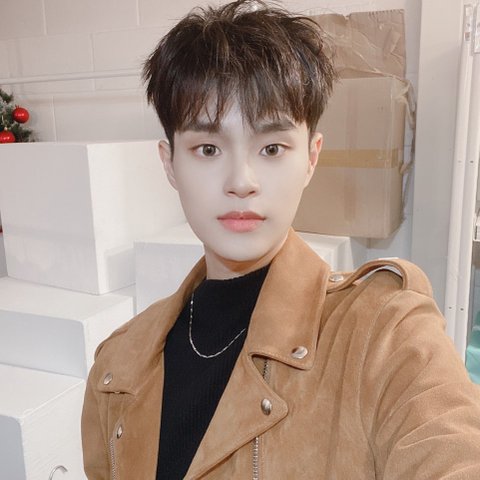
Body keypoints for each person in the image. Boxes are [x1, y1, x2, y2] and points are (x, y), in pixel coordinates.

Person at [81, 1, 480, 478]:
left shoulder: (385, 334)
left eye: (271, 148)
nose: (242, 181)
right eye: (207, 149)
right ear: (170, 164)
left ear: (311, 157)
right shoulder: (116, 366)